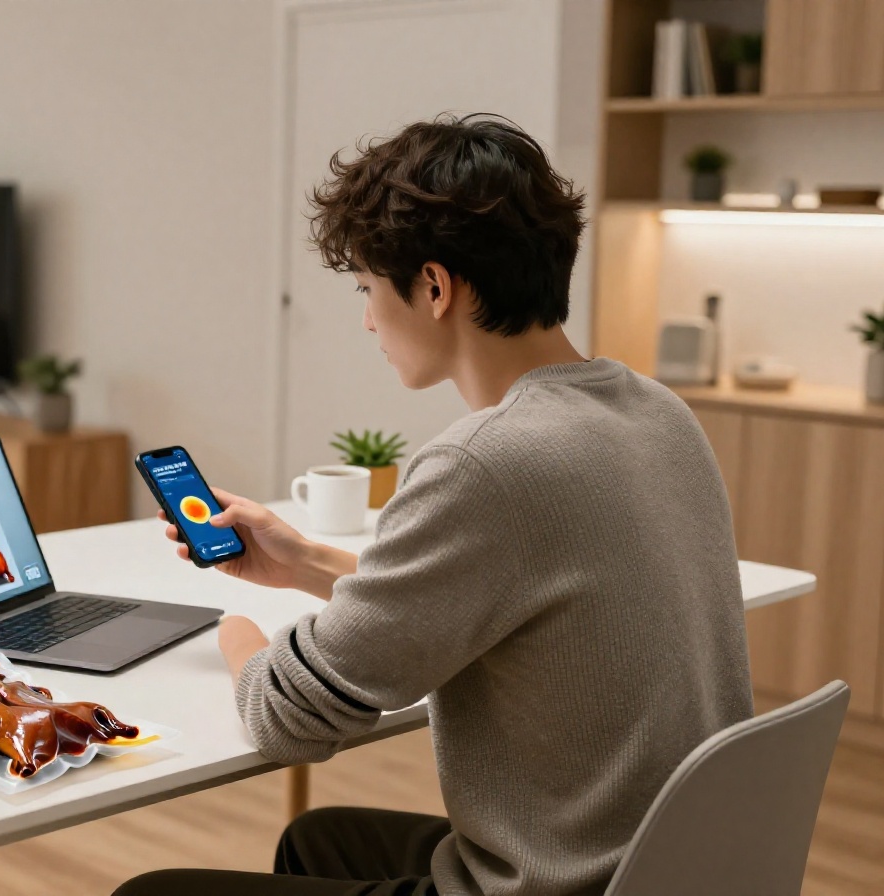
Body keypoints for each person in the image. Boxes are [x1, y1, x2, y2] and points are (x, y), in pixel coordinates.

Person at [112, 114, 750, 896]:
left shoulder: (484, 461)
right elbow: (512, 593)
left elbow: (292, 718)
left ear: (435, 287)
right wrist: (303, 559)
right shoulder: (656, 411)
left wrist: (239, 641)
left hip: (561, 884)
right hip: (669, 866)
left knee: (150, 894)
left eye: (367, 289)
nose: (368, 318)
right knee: (322, 840)